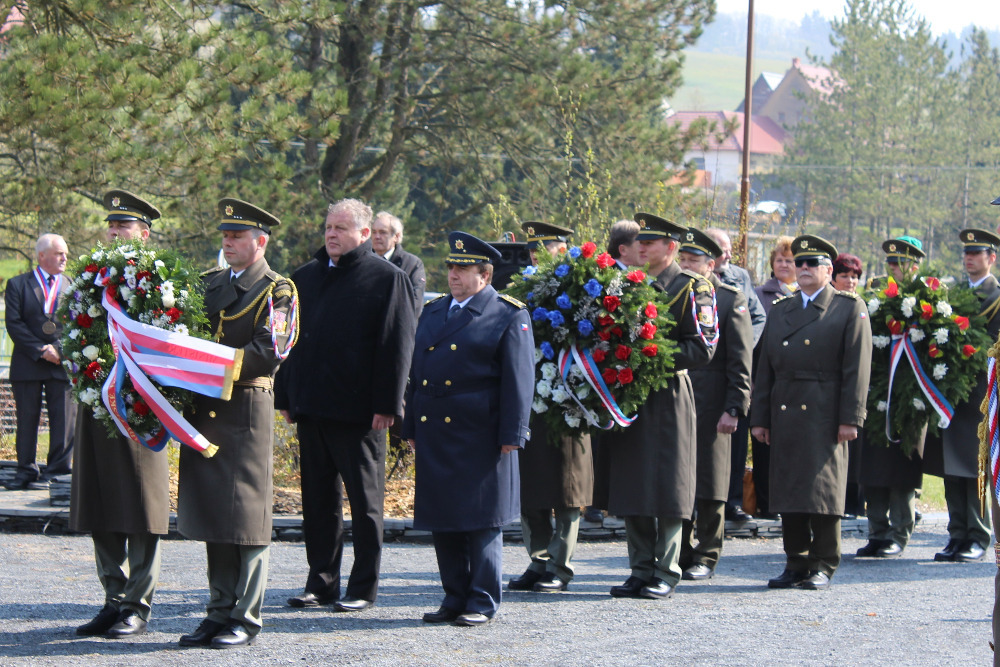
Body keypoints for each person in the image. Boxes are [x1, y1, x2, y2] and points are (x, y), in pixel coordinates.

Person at [274, 198, 416, 612]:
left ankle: (362, 588)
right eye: (328, 227)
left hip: (360, 414)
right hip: (313, 408)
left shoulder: (387, 279)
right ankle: (321, 583)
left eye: (341, 228)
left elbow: (396, 346)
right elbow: (288, 343)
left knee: (365, 505)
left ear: (364, 234)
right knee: (318, 503)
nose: (331, 235)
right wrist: (286, 395)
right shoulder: (304, 277)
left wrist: (389, 404)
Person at [176, 199, 297, 648]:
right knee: (214, 513)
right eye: (225, 236)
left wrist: (203, 364)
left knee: (245, 515)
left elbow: (271, 350)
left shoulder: (277, 291)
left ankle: (245, 616)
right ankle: (219, 609)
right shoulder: (208, 284)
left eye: (237, 237)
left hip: (245, 408)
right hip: (207, 410)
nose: (228, 243)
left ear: (260, 242)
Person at [402, 231, 534, 626]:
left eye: (463, 268)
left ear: (486, 274)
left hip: (481, 431)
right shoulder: (435, 311)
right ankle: (454, 595)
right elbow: (416, 374)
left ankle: (481, 598)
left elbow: (519, 380)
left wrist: (514, 433)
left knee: (481, 521)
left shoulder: (509, 314)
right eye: (451, 267)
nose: (454, 275)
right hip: (437, 430)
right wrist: (410, 424)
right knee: (444, 519)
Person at [601, 212, 717, 601]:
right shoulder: (626, 284)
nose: (642, 247)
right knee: (633, 482)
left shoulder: (691, 287)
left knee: (667, 485)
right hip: (630, 395)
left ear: (671, 247)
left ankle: (666, 569)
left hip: (668, 395)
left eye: (650, 243)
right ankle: (639, 567)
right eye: (639, 242)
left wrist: (651, 355)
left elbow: (703, 348)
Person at [71, 190, 171, 638]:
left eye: (124, 226)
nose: (115, 231)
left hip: (140, 408)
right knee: (99, 500)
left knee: (141, 504)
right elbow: (75, 329)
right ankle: (112, 598)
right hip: (97, 404)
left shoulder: (159, 280)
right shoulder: (91, 279)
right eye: (111, 224)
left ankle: (137, 603)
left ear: (144, 235)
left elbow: (170, 341)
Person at [751, 234, 872, 590]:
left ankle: (823, 562)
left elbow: (856, 369)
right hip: (785, 407)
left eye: (811, 264)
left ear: (828, 269)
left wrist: (851, 417)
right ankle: (795, 561)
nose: (803, 269)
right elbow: (765, 369)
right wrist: (760, 417)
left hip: (825, 410)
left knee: (822, 490)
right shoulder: (782, 309)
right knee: (789, 488)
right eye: (798, 263)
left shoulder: (848, 307)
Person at [507, 222, 594, 593]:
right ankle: (538, 560)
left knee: (568, 487)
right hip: (532, 399)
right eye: (532, 250)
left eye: (548, 249)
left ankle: (561, 563)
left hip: (570, 399)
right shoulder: (520, 288)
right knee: (533, 485)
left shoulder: (582, 287)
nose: (537, 257)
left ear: (564, 249)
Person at [677, 228, 752, 580]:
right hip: (679, 401)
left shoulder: (728, 299)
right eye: (684, 259)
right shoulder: (675, 292)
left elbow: (740, 359)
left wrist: (734, 407)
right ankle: (680, 551)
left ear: (711, 264)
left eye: (694, 260)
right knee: (680, 480)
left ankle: (707, 554)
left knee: (711, 482)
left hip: (713, 402)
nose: (687, 265)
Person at [923, 228, 1000, 563]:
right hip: (951, 389)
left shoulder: (996, 294)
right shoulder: (952, 293)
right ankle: (957, 533)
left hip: (982, 390)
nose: (969, 258)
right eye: (966, 253)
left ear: (991, 258)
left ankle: (978, 535)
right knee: (951, 464)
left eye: (977, 253)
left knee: (975, 464)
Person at [856, 239, 925, 558]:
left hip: (909, 395)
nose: (895, 268)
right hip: (876, 391)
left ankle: (899, 531)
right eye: (892, 262)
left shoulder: (926, 298)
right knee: (873, 467)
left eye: (901, 263)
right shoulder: (875, 294)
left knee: (901, 467)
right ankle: (876, 531)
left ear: (915, 265)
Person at [4, 233, 73, 491]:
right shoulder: (18, 284)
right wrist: (39, 349)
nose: (65, 257)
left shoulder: (72, 285)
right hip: (28, 362)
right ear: (42, 255)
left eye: (65, 253)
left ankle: (57, 471)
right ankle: (26, 470)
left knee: (64, 420)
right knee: (27, 419)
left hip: (60, 363)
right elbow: (14, 323)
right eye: (59, 253)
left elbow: (79, 324)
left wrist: (58, 350)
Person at [707, 228, 766, 523]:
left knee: (735, 438)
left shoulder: (739, 277)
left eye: (729, 249)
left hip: (734, 366)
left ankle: (732, 500)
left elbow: (757, 317)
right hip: (705, 367)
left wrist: (742, 342)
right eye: (721, 249)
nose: (728, 255)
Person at [750, 235, 798, 521]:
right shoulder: (760, 295)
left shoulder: (808, 296)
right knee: (764, 444)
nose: (783, 264)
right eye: (779, 259)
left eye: (789, 260)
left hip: (796, 384)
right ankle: (767, 504)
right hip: (766, 379)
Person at [831, 253, 866, 519]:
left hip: (852, 386)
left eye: (855, 277)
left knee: (855, 452)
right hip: (828, 386)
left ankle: (853, 501)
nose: (851, 281)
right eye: (845, 276)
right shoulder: (829, 305)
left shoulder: (861, 305)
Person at [372, 211, 426, 317]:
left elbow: (415, 303)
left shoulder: (412, 264)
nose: (377, 236)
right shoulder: (363, 261)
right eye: (374, 232)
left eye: (383, 232)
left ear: (396, 236)